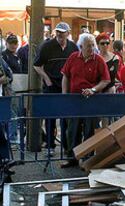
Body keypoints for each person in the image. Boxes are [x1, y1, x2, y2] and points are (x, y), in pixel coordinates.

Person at [61, 33, 110, 167]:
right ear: (81, 46)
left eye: (93, 45)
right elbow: (65, 76)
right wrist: (64, 95)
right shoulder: (73, 58)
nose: (92, 48)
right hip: (74, 100)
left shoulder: (98, 60)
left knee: (90, 129)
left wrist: (93, 90)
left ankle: (88, 159)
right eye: (89, 46)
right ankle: (72, 158)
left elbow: (106, 80)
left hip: (92, 100)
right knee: (72, 129)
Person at [34, 22, 78, 156]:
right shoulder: (47, 46)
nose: (60, 34)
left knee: (66, 117)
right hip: (51, 85)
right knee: (50, 118)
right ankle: (50, 145)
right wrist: (46, 79)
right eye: (58, 31)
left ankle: (66, 146)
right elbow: (37, 65)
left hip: (67, 86)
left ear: (68, 33)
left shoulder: (73, 47)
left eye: (62, 32)